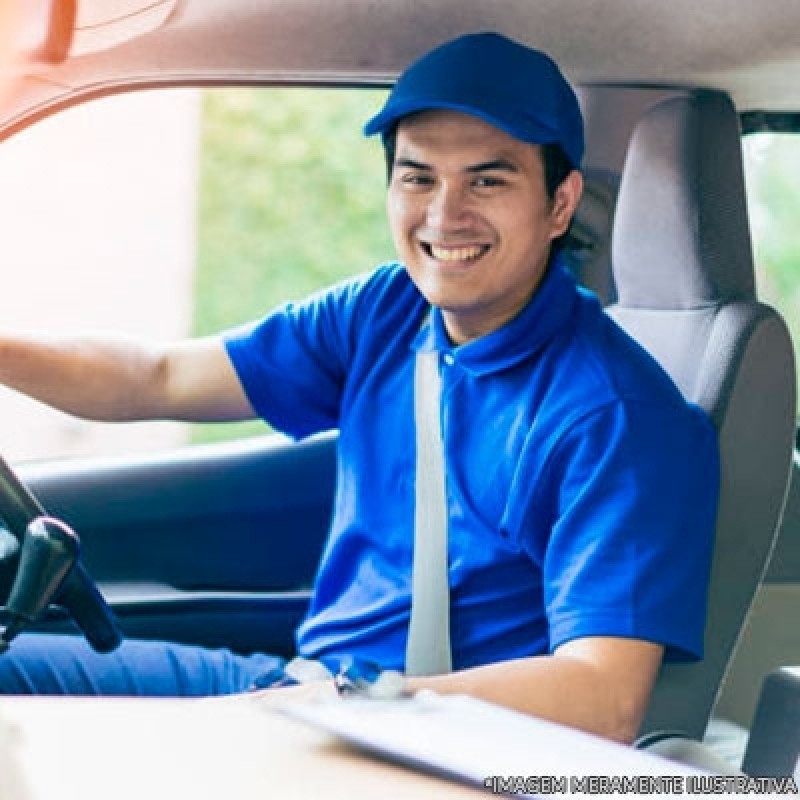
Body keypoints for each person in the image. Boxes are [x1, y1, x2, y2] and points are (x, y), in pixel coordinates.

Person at [0, 32, 719, 745]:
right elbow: (155, 376)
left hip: (432, 741)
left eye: (487, 180)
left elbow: (603, 695)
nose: (444, 214)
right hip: (305, 691)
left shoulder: (619, 417)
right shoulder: (387, 310)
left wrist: (347, 707)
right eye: (418, 177)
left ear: (560, 205)